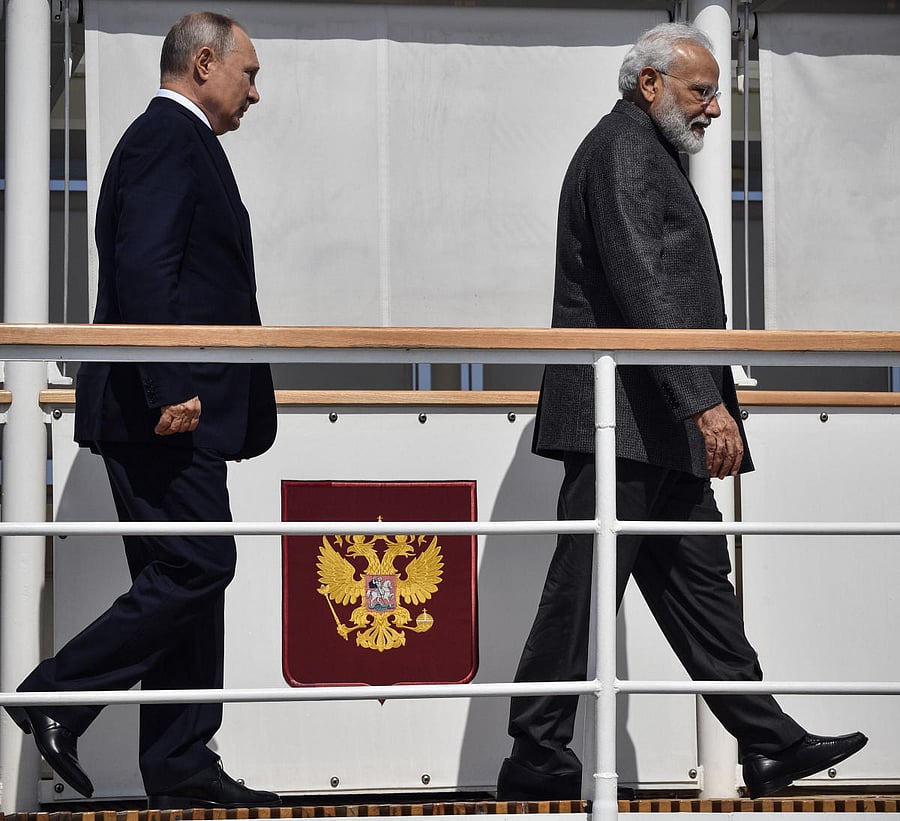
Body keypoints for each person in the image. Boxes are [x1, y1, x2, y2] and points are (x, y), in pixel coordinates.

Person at [496, 22, 867, 802]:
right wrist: (703, 402)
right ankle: (535, 751)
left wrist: (693, 405)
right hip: (630, 421)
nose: (713, 109)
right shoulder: (625, 151)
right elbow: (645, 286)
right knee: (584, 585)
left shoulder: (642, 150)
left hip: (653, 422)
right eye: (702, 92)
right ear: (650, 84)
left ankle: (768, 742)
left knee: (700, 588)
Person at [6, 12, 280, 810]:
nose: (254, 93)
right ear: (205, 63)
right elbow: (145, 268)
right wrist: (170, 387)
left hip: (175, 408)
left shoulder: (177, 141)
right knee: (199, 566)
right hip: (162, 410)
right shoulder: (166, 138)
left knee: (184, 575)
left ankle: (181, 758)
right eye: (249, 75)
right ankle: (58, 694)